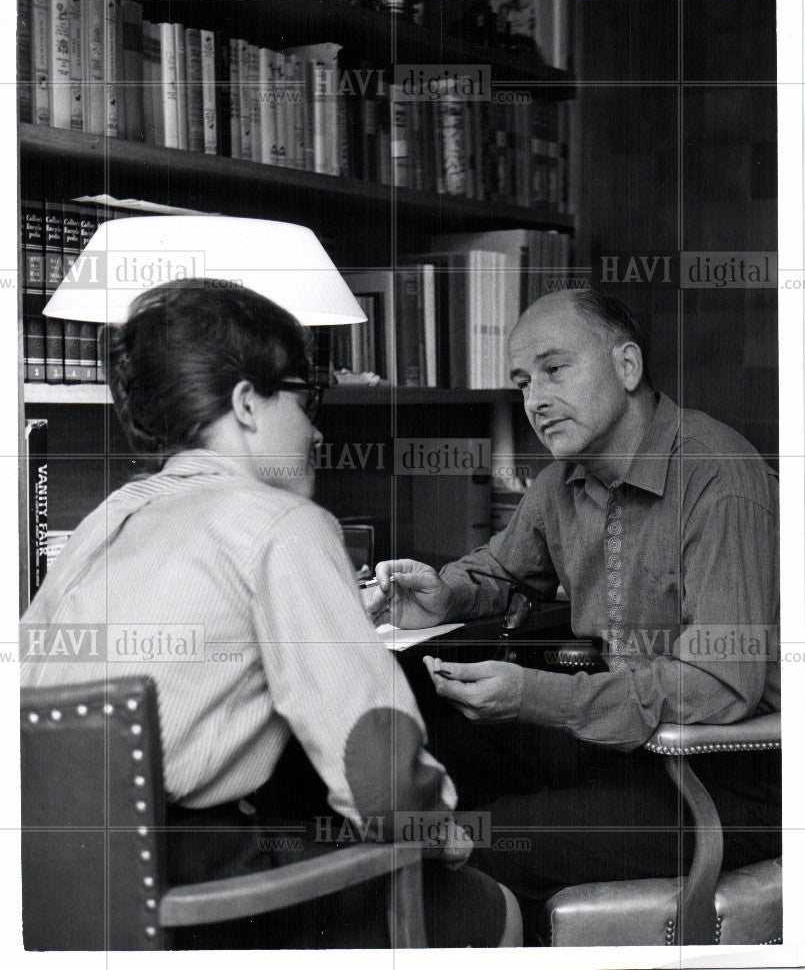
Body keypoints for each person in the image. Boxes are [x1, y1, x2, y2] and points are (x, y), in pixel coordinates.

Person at [19, 278, 521, 949]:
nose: (315, 429)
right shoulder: (283, 525)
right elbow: (378, 775)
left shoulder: (104, 520)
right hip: (201, 903)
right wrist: (446, 839)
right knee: (487, 907)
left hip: (63, 897)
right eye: (305, 396)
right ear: (248, 402)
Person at [368, 289, 780, 940]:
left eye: (555, 370)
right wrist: (446, 594)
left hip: (734, 774)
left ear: (625, 367)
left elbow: (719, 689)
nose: (534, 399)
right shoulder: (560, 480)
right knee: (416, 742)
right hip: (624, 744)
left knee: (484, 837)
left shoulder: (718, 477)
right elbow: (503, 569)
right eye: (522, 382)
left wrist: (535, 693)